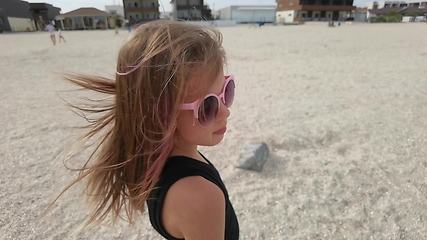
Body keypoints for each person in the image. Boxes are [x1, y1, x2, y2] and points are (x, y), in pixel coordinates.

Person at [54, 20, 239, 239]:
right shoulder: (199, 196)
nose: (225, 112)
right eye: (208, 106)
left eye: (226, 91)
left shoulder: (152, 161)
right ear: (161, 114)